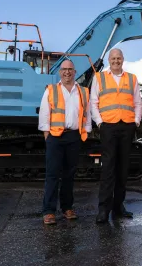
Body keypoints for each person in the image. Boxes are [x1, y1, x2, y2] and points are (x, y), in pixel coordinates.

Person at [90, 48, 142, 224]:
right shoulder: (99, 78)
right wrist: (99, 123)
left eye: (118, 58)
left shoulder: (132, 78)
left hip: (127, 126)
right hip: (108, 127)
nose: (116, 61)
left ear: (123, 59)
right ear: (109, 60)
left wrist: (135, 122)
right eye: (113, 58)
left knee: (123, 168)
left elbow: (137, 102)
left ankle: (118, 206)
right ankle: (103, 209)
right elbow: (94, 102)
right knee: (108, 168)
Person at [38, 59, 92, 225]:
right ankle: (49, 211)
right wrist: (47, 134)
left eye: (70, 69)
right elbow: (44, 113)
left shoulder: (83, 91)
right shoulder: (51, 90)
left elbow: (87, 114)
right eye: (64, 69)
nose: (67, 72)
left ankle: (67, 208)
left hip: (74, 136)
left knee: (69, 174)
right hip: (55, 136)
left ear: (75, 72)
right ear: (59, 72)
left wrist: (86, 131)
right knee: (52, 174)